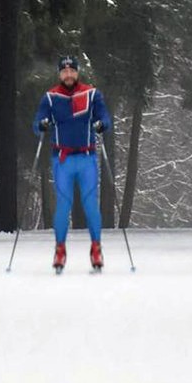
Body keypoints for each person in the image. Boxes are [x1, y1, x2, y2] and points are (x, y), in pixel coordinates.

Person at [32, 55, 112, 272]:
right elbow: (36, 122)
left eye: (72, 71)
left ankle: (96, 248)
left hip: (87, 158)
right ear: (60, 74)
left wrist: (101, 124)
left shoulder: (91, 94)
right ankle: (60, 249)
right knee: (63, 204)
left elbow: (105, 117)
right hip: (62, 159)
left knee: (90, 205)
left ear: (77, 72)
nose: (68, 75)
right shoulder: (51, 97)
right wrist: (42, 124)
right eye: (64, 71)